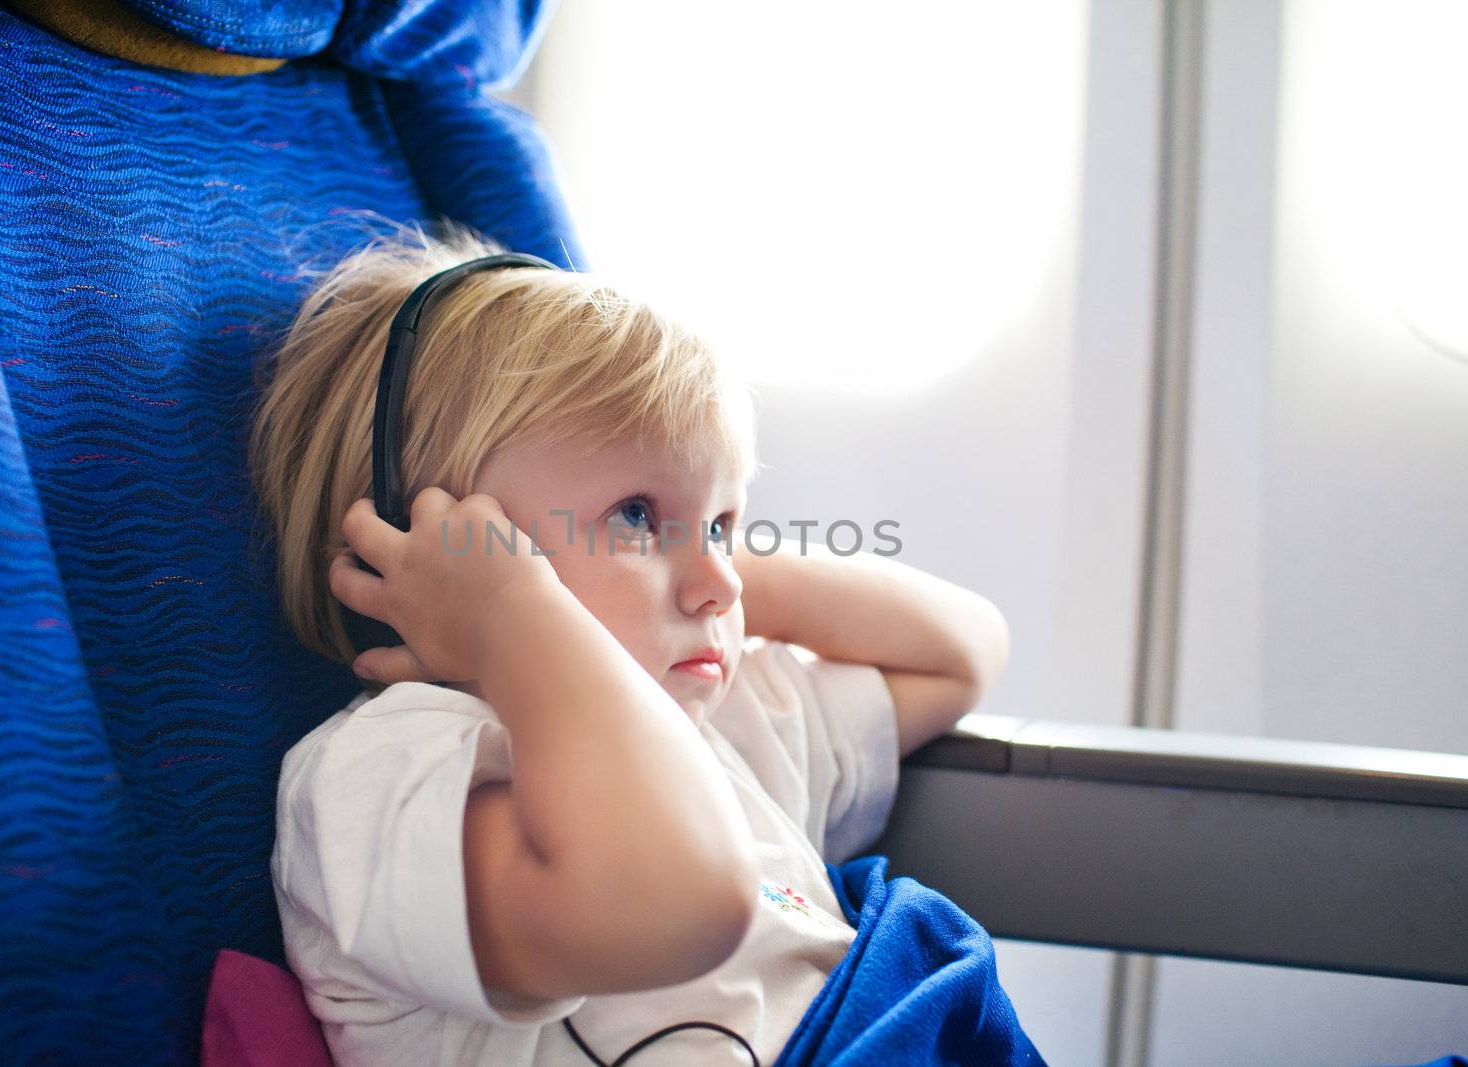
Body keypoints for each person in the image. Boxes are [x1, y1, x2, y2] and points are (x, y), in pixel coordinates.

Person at [248, 220, 1018, 1065]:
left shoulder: (717, 718)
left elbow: (961, 650)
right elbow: (676, 902)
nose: (721, 581)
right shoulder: (390, 775)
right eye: (636, 515)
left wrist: (704, 565)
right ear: (420, 545)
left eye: (726, 521)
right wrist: (510, 615)